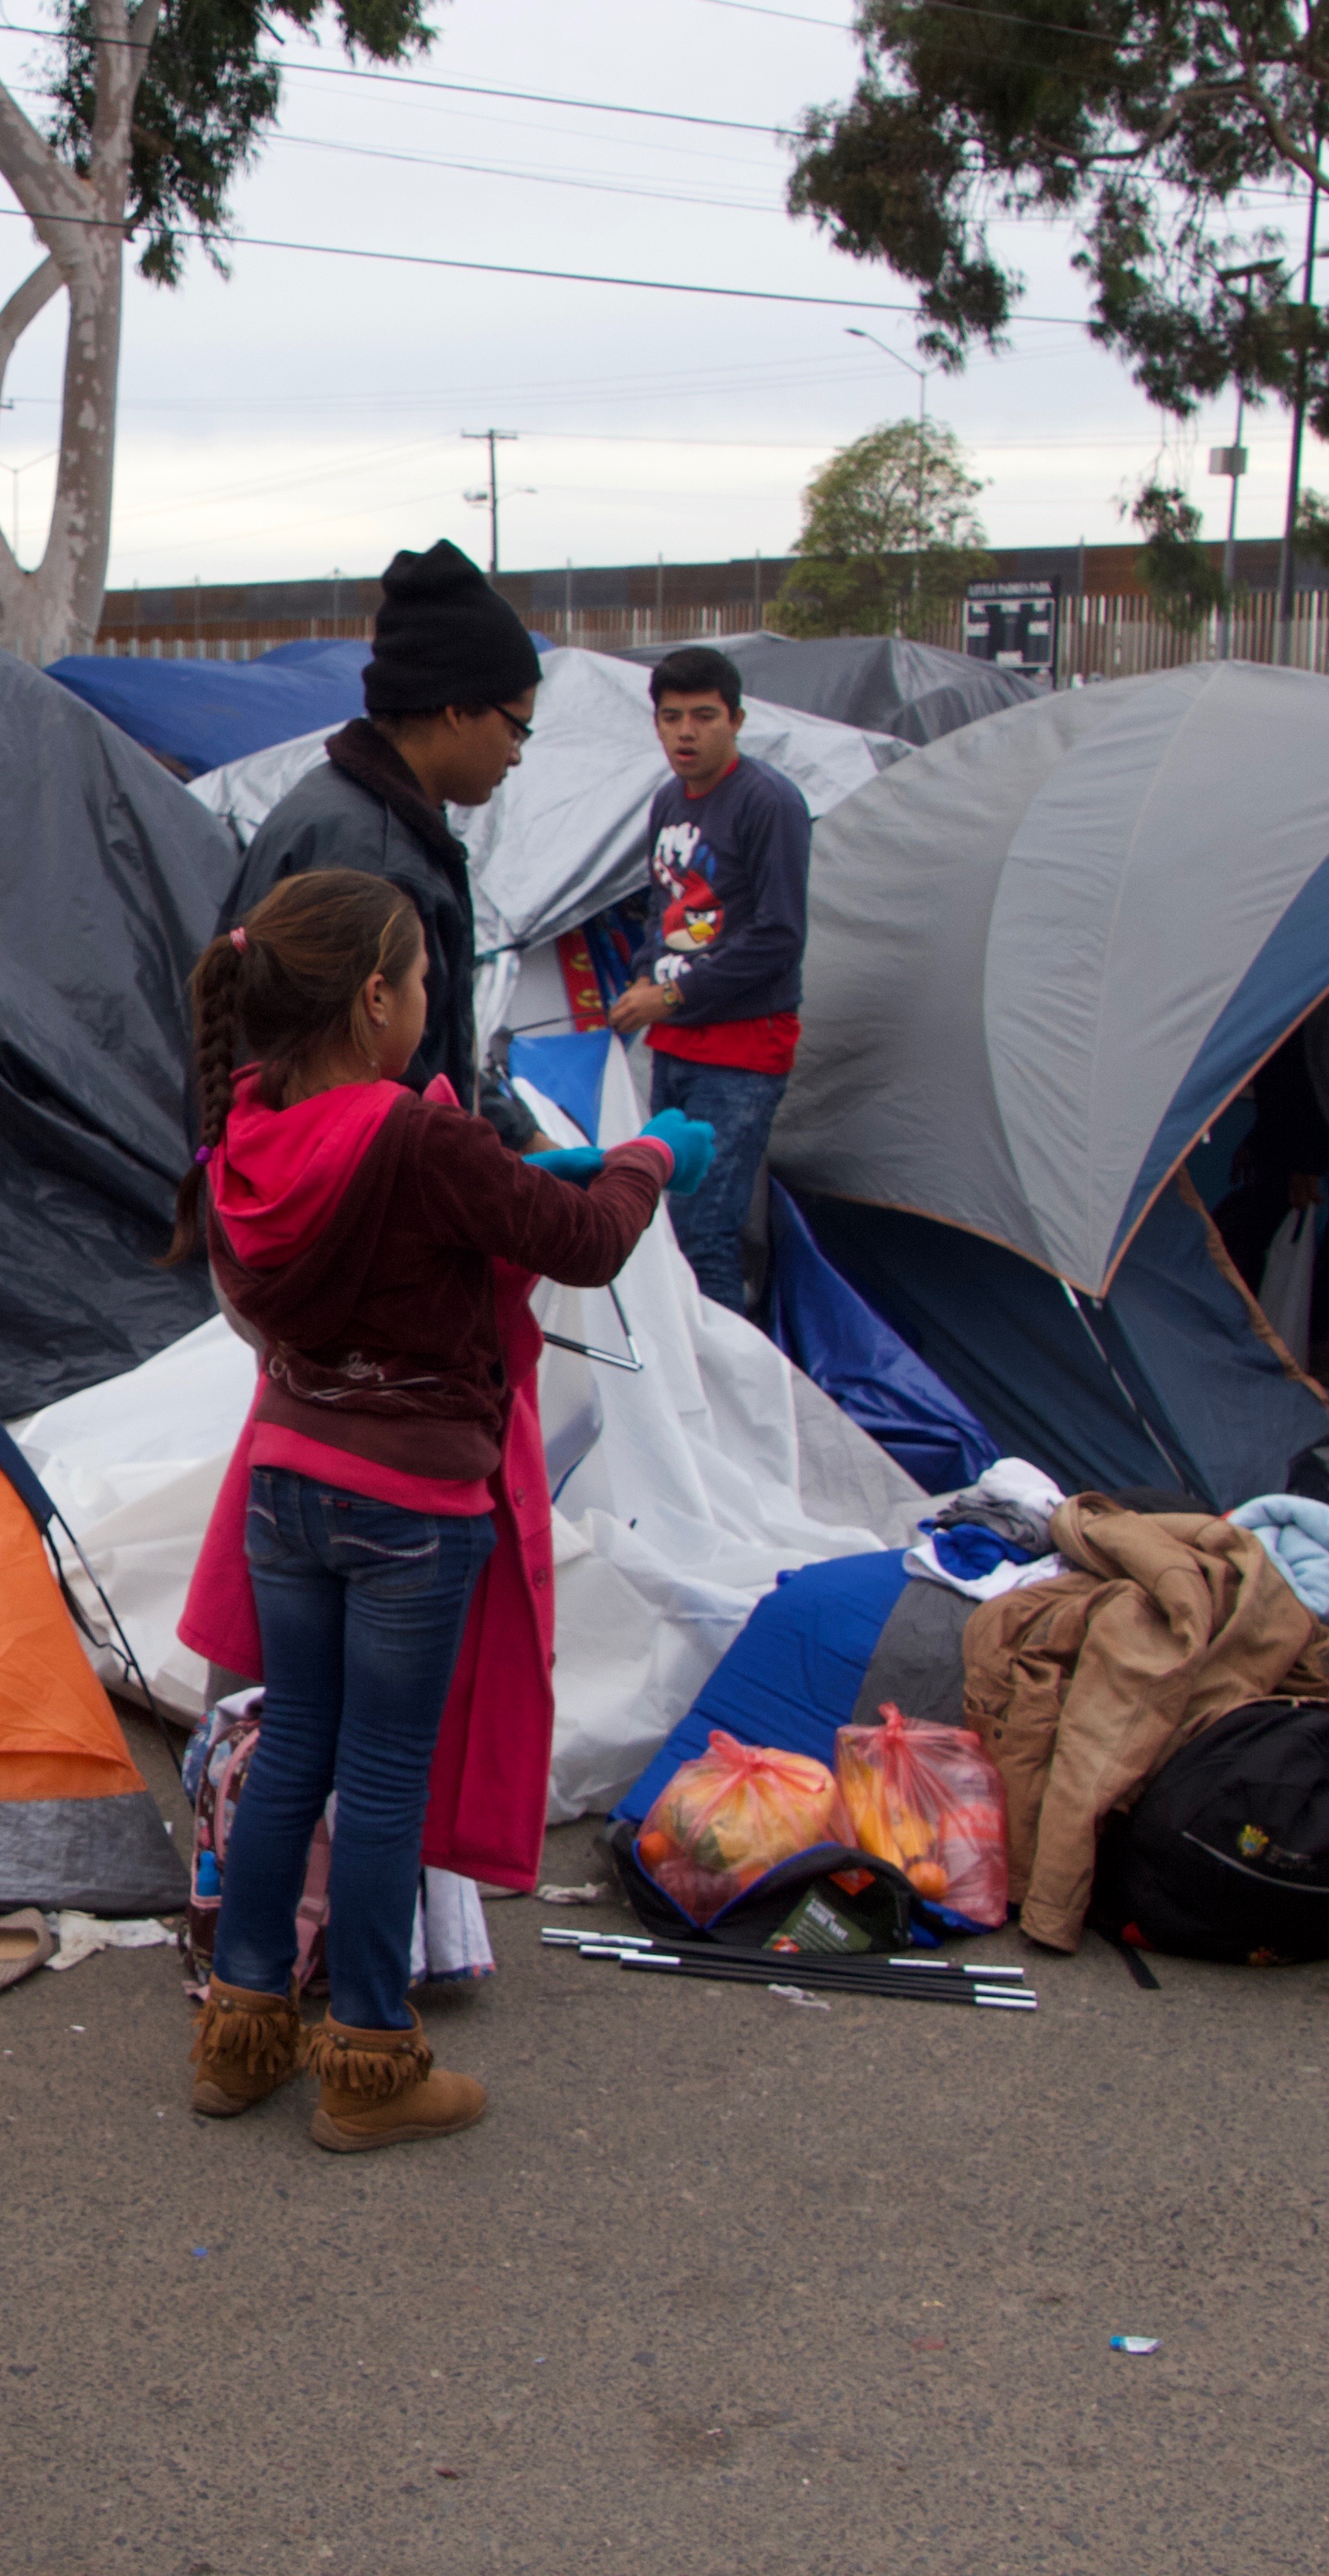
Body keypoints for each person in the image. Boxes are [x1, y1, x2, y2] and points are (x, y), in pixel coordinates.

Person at [170, 869, 691, 2147]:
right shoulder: (419, 1139)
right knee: (384, 1775)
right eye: (418, 981)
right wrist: (648, 1156)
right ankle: (366, 2058)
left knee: (292, 1745)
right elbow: (578, 1239)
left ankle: (240, 2033)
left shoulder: (241, 1134)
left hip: (285, 1478)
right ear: (374, 998)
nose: (424, 1002)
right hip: (409, 1499)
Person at [224, 540, 544, 1142]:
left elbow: (432, 1051)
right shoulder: (376, 863)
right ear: (457, 710)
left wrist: (516, 1135)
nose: (517, 754)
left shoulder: (336, 806)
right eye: (515, 726)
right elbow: (381, 1101)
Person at [602, 643, 808, 1315]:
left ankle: (730, 1398)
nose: (686, 732)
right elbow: (663, 911)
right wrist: (641, 984)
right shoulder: (668, 802)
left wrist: (674, 994)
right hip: (675, 1045)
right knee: (669, 1224)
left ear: (737, 719)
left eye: (704, 716)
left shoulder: (767, 801)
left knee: (706, 1233)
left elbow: (779, 936)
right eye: (671, 717)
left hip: (742, 1048)